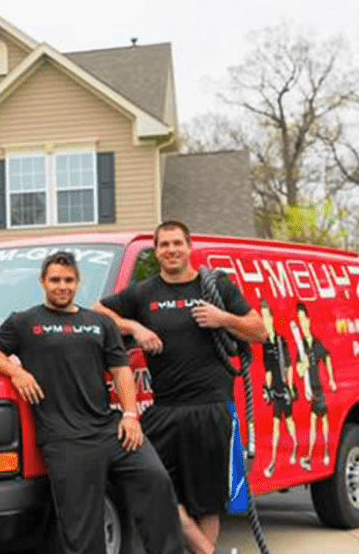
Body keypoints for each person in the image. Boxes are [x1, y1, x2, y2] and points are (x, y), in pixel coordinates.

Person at [0, 252, 184, 554]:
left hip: (109, 428)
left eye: (69, 280)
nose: (62, 286)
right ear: (43, 282)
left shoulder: (99, 322)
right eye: (55, 280)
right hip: (64, 438)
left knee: (156, 480)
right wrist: (16, 371)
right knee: (82, 523)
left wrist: (129, 415)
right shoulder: (24, 321)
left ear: (78, 282)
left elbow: (121, 370)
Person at [94, 221, 265, 554]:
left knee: (209, 501)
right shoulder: (143, 292)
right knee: (156, 486)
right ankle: (207, 551)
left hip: (212, 407)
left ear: (189, 247)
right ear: (156, 251)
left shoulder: (217, 286)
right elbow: (98, 313)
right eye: (164, 245)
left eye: (177, 243)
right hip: (164, 408)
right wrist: (135, 327)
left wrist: (223, 318)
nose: (171, 250)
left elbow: (258, 330)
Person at [294, 302, 337, 471]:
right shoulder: (301, 347)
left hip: (319, 388)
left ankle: (324, 452)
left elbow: (327, 359)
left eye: (303, 319)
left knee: (322, 420)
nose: (302, 324)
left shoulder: (317, 344)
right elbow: (298, 371)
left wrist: (332, 379)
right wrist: (302, 366)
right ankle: (315, 455)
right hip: (311, 389)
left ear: (309, 321)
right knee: (315, 422)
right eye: (299, 320)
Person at [259, 299, 298, 478]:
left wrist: (290, 388)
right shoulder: (266, 344)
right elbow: (268, 369)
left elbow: (288, 366)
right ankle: (273, 461)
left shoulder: (282, 342)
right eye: (262, 317)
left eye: (267, 317)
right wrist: (266, 389)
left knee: (289, 422)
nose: (265, 321)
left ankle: (295, 446)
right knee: (276, 425)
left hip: (284, 387)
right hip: (275, 388)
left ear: (272, 318)